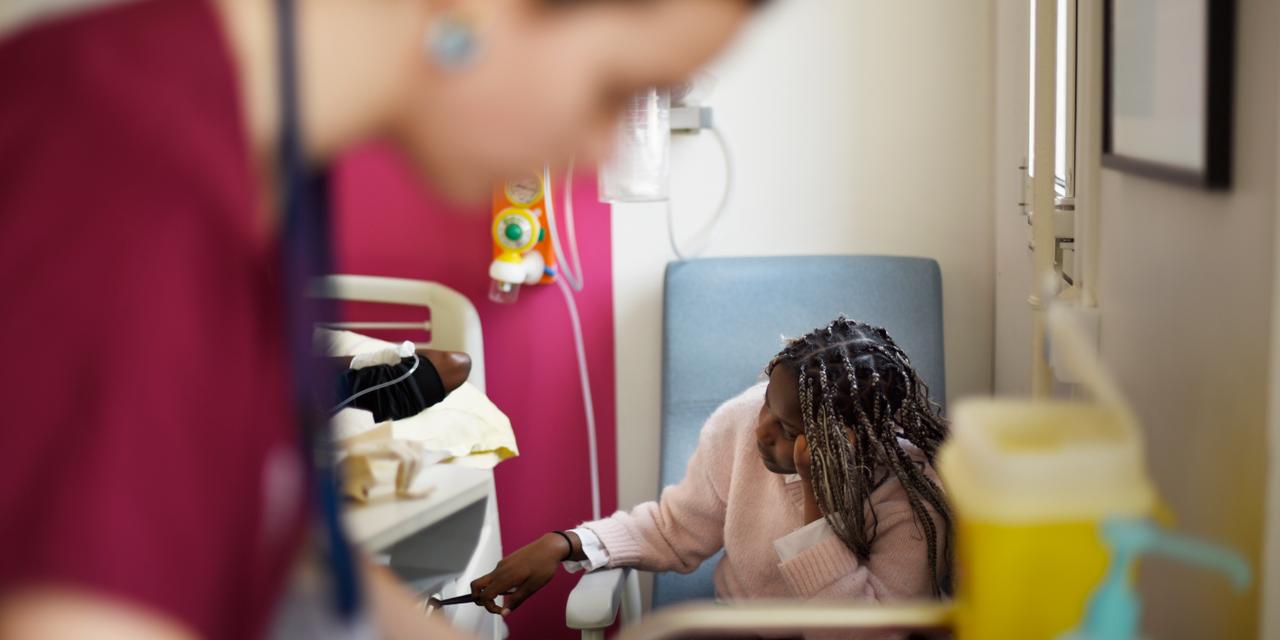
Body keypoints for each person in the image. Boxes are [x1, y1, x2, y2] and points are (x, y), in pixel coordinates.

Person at [0, 0, 763, 638]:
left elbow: (259, 529)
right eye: (618, 89)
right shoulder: (118, 176)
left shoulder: (260, 174)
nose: (599, 150)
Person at [472, 318, 952, 616]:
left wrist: (815, 496)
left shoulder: (911, 502)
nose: (761, 432)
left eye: (788, 431)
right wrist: (567, 542)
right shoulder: (743, 423)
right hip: (735, 625)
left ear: (852, 446)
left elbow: (861, 635)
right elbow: (673, 529)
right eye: (768, 405)